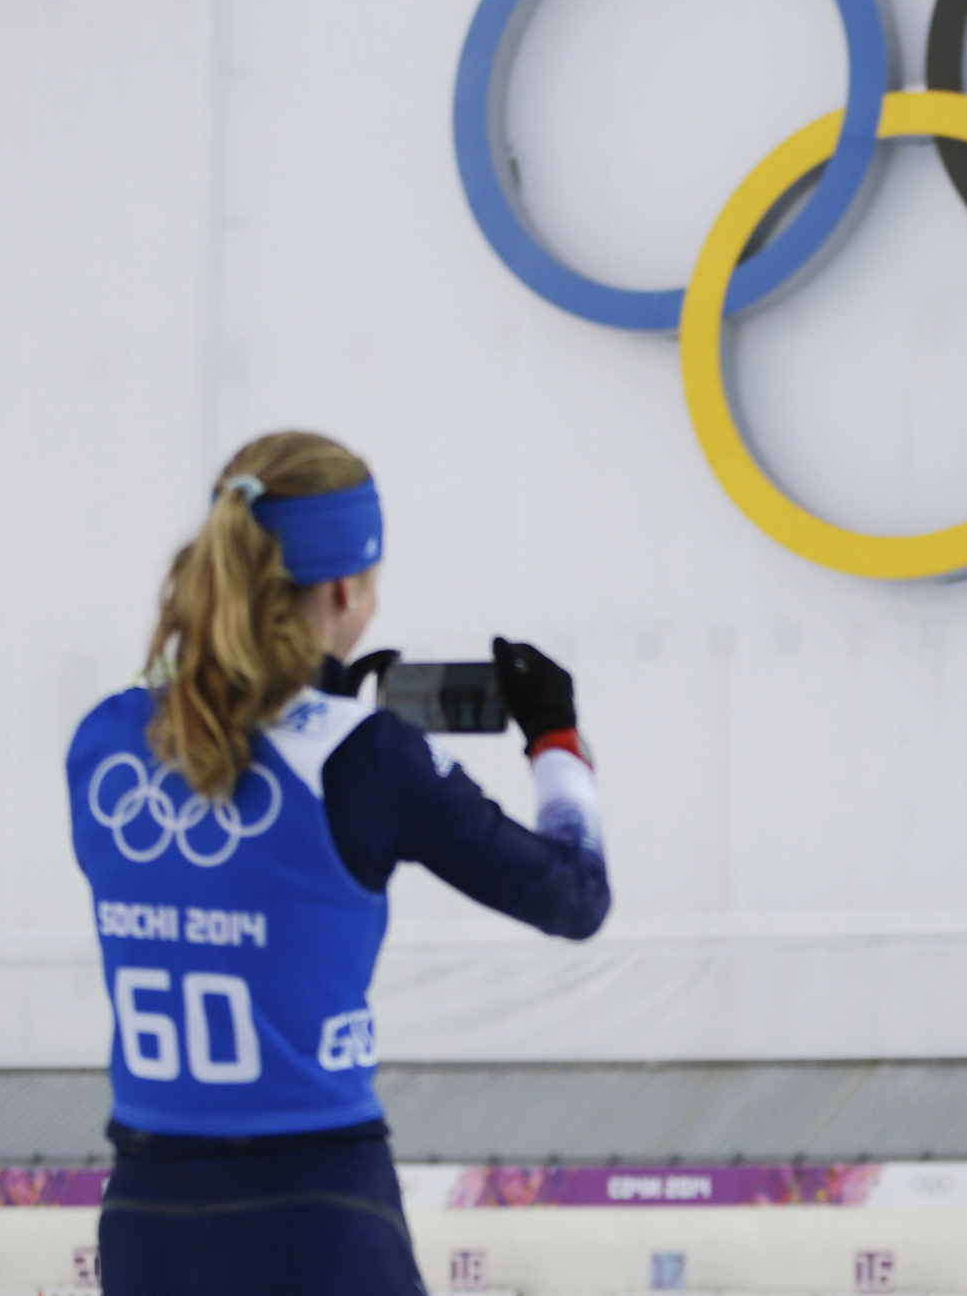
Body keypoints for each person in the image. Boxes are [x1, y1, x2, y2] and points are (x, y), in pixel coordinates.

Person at [67, 432, 611, 1296]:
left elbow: (236, 794)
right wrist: (555, 739)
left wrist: (319, 706)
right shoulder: (364, 758)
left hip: (148, 1213)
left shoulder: (102, 743)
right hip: (314, 1209)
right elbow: (575, 895)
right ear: (346, 590)